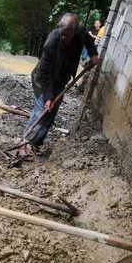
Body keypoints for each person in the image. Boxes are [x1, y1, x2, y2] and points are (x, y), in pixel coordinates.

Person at [19, 13, 99, 158]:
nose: (63, 38)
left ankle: (36, 144)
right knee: (41, 110)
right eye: (62, 34)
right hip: (42, 80)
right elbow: (44, 73)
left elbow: (88, 40)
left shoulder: (79, 31)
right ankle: (23, 144)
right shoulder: (51, 42)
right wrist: (48, 97)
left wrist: (93, 55)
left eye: (67, 36)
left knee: (52, 113)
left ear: (74, 32)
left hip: (62, 78)